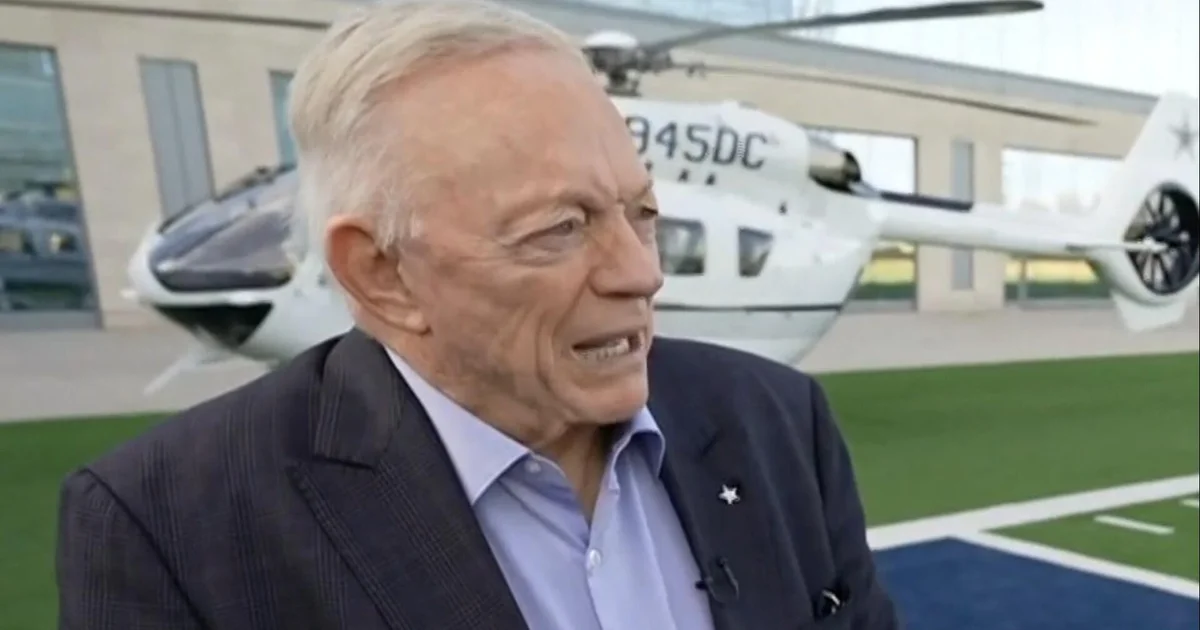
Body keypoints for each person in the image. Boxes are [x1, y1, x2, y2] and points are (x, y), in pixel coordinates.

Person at [54, 1, 900, 628]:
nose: (641, 274)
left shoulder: (778, 420)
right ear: (383, 274)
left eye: (641, 213)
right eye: (559, 228)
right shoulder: (165, 527)